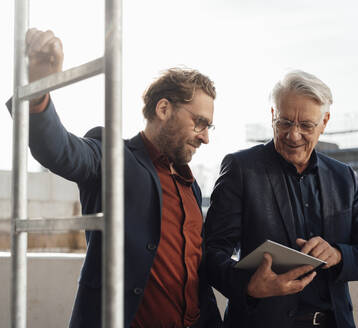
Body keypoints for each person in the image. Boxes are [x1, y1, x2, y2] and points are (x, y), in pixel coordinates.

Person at [7, 28, 222, 328]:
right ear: (163, 108)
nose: (205, 138)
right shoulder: (114, 157)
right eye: (199, 123)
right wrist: (38, 88)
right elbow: (59, 150)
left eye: (210, 127)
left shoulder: (192, 188)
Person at [204, 70, 358, 328]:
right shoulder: (241, 168)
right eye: (285, 122)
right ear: (272, 116)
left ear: (324, 122)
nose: (293, 135)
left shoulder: (343, 176)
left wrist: (338, 254)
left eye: (306, 126)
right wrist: (249, 286)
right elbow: (211, 253)